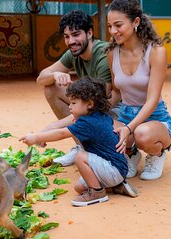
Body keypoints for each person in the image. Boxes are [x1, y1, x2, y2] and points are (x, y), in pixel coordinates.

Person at [20, 77, 138, 207]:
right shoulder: (99, 115)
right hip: (116, 168)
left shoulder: (87, 123)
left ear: (89, 104)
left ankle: (98, 194)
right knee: (79, 187)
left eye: (74, 103)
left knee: (80, 157)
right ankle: (117, 186)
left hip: (113, 169)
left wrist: (36, 137)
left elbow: (62, 133)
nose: (69, 107)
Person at [106, 0, 171, 181]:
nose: (113, 31)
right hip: (126, 114)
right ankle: (131, 153)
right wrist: (98, 111)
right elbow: (117, 92)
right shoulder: (112, 53)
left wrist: (129, 128)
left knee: (142, 134)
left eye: (118, 25)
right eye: (109, 26)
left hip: (155, 117)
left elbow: (152, 101)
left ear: (136, 22)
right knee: (102, 128)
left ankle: (156, 154)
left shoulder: (156, 51)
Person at [36, 9, 113, 166]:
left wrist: (51, 129)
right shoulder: (73, 53)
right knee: (51, 88)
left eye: (76, 34)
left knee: (87, 104)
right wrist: (55, 75)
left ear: (89, 33)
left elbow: (98, 103)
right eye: (66, 36)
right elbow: (41, 78)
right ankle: (82, 147)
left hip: (113, 111)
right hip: (93, 106)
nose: (71, 41)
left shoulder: (103, 53)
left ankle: (107, 150)